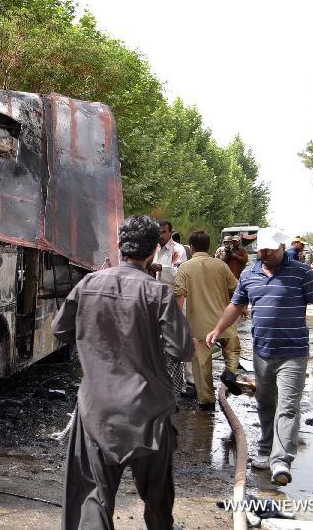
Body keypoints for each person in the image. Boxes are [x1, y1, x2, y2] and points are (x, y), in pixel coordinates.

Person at [52, 215, 194, 530]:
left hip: (97, 412)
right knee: (158, 505)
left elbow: (59, 329)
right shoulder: (159, 293)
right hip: (150, 414)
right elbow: (182, 350)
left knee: (93, 500)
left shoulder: (88, 283)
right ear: (153, 251)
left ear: (120, 247)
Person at [206, 227, 313, 486]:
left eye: (270, 249)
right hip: (262, 352)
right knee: (266, 404)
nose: (264, 253)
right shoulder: (250, 273)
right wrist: (218, 328)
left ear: (282, 247)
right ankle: (266, 450)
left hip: (294, 353)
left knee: (288, 407)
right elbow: (236, 305)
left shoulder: (301, 273)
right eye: (262, 249)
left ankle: (281, 460)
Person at [173, 231, 240, 412]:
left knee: (201, 365)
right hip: (223, 323)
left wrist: (177, 323)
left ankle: (207, 401)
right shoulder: (221, 265)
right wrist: (243, 308)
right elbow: (236, 288)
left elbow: (179, 296)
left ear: (192, 247)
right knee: (232, 349)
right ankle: (230, 372)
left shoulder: (185, 268)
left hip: (199, 326)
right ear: (209, 247)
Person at [149, 219, 187, 285]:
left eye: (163, 232)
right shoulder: (152, 248)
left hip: (170, 293)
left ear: (170, 232)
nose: (160, 236)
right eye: (158, 232)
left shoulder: (178, 249)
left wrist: (161, 268)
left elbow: (181, 275)